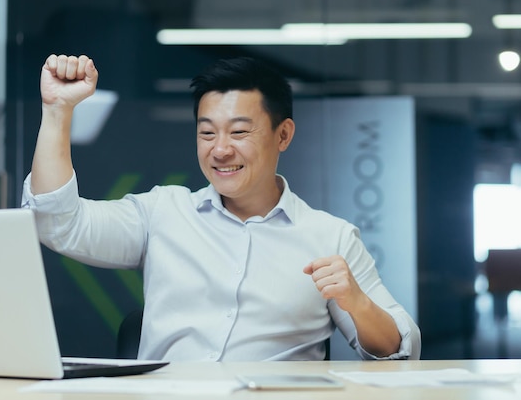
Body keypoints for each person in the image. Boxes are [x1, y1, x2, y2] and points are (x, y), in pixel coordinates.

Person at [22, 53, 421, 361]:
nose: (221, 149)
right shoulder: (164, 212)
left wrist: (358, 303)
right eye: (207, 133)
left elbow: (398, 351)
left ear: (283, 135)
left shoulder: (329, 237)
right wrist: (58, 111)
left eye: (240, 131)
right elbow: (57, 222)